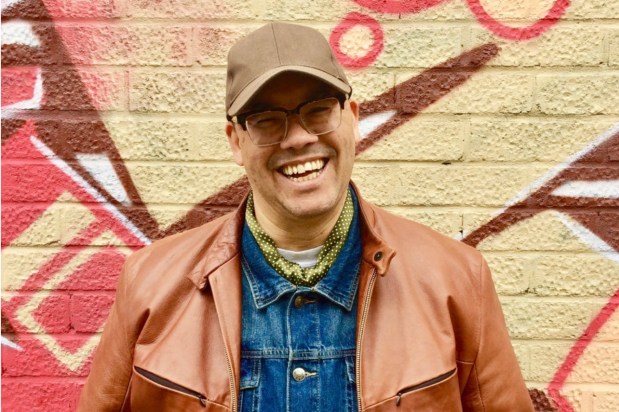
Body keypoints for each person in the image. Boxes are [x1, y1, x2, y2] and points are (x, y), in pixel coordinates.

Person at [78, 22, 534, 411]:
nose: (297, 139)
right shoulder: (150, 284)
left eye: (318, 111)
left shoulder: (457, 279)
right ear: (236, 141)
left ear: (352, 119)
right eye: (267, 119)